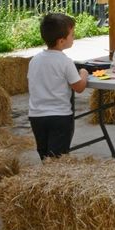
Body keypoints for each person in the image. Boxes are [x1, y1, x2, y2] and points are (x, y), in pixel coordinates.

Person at [27, 12, 87, 160]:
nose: (74, 38)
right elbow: (79, 87)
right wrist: (84, 74)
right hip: (59, 116)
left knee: (44, 154)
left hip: (36, 116)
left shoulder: (34, 60)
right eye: (72, 35)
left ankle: (47, 179)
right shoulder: (65, 62)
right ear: (61, 41)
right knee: (58, 158)